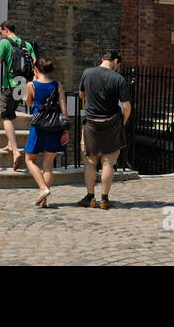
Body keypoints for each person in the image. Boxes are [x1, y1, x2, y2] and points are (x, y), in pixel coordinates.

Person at [77, 48, 131, 210]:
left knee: (90, 163)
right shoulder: (118, 78)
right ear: (115, 61)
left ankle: (90, 197)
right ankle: (104, 199)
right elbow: (127, 105)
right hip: (112, 124)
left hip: (91, 124)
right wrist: (124, 120)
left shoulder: (87, 73)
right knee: (108, 163)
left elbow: (81, 94)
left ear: (102, 58)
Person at [23, 56, 69, 207]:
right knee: (48, 164)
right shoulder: (57, 85)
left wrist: (32, 82)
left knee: (29, 159)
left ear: (36, 69)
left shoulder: (32, 84)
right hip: (55, 126)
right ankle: (45, 199)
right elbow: (64, 110)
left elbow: (28, 103)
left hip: (38, 127)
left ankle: (43, 188)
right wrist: (65, 131)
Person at [0, 21, 35, 170]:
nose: (0, 35)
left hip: (10, 85)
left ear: (5, 29)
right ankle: (10, 143)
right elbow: (34, 63)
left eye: (0, 32)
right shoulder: (26, 44)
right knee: (12, 111)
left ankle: (15, 151)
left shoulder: (4, 43)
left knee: (6, 116)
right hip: (22, 84)